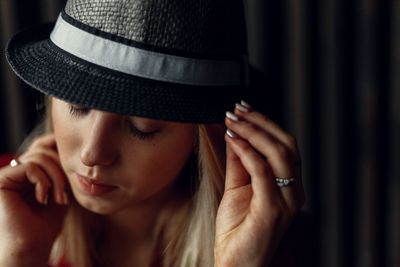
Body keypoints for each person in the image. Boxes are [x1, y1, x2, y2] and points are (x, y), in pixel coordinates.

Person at [0, 0, 310, 266]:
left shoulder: (269, 238)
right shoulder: (7, 205)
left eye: (141, 127)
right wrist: (18, 258)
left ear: (204, 137)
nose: (92, 153)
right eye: (77, 106)